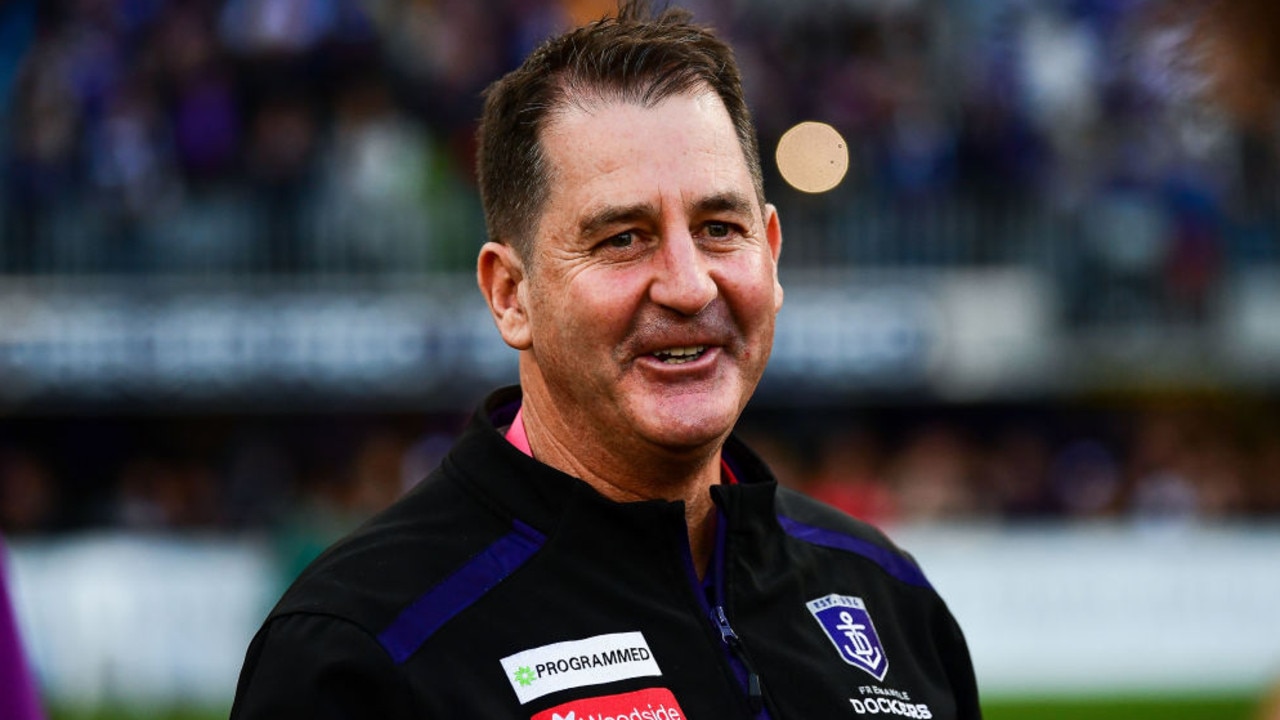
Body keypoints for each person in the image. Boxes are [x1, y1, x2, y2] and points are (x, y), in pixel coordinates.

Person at [230, 3, 980, 718]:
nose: (689, 286)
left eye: (720, 228)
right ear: (510, 295)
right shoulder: (357, 646)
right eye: (623, 238)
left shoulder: (888, 595)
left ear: (772, 254)